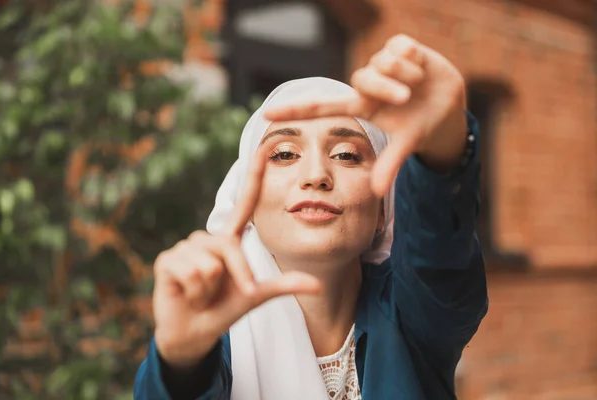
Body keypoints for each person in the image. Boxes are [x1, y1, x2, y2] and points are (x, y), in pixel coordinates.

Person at [134, 34, 488, 400]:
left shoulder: (415, 314)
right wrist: (181, 364)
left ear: (385, 210)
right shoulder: (214, 330)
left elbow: (439, 251)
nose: (316, 174)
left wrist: (442, 147)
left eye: (347, 155)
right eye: (285, 154)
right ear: (247, 200)